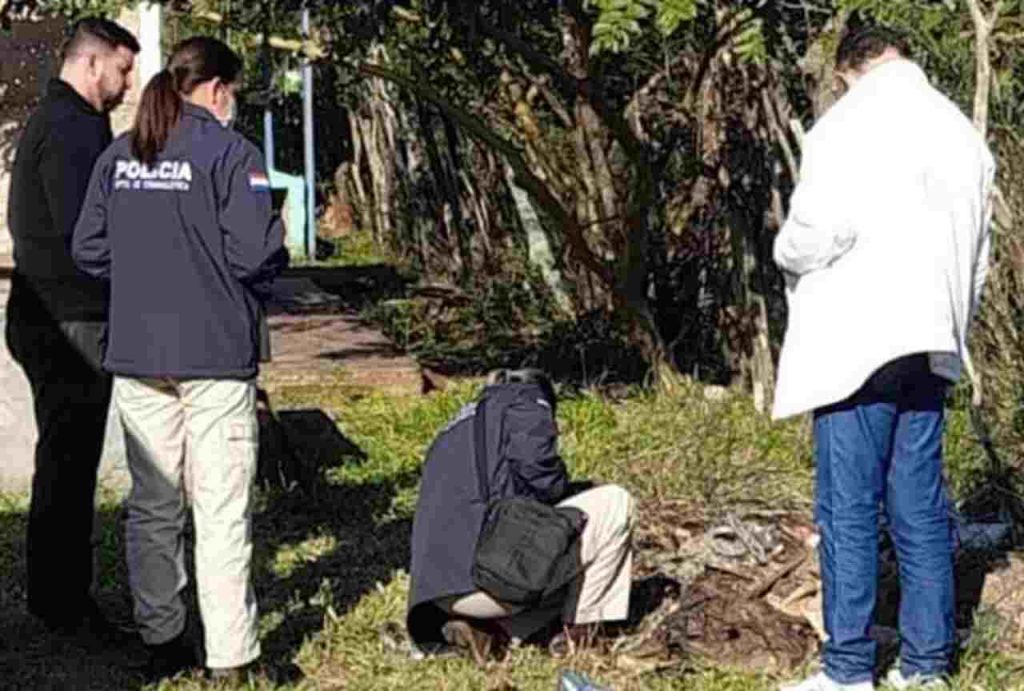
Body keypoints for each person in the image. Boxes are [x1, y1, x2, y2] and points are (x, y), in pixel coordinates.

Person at [772, 26, 995, 691]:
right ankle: (926, 665)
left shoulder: (846, 127)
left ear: (849, 72)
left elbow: (818, 231)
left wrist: (784, 250)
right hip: (931, 337)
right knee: (919, 507)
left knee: (848, 509)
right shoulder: (962, 137)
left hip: (860, 341)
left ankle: (847, 669)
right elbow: (978, 260)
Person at [72, 36, 288, 680]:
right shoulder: (232, 154)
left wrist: (145, 273)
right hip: (215, 354)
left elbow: (88, 249)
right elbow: (254, 254)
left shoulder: (121, 154)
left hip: (138, 354)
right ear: (218, 89)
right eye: (234, 91)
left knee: (153, 506)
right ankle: (231, 657)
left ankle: (162, 640)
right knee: (220, 509)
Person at [5, 17, 139, 638]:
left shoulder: (63, 118)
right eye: (123, 69)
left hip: (56, 314)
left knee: (66, 460)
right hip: (68, 320)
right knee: (68, 464)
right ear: (92, 64)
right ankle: (62, 602)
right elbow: (87, 233)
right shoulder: (71, 127)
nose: (128, 83)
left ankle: (56, 595)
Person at [408, 369, 635, 663]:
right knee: (616, 502)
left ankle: (489, 633)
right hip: (485, 581)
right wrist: (572, 488)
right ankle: (583, 638)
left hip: (433, 598)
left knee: (558, 561)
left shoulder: (451, 430)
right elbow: (542, 478)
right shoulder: (525, 402)